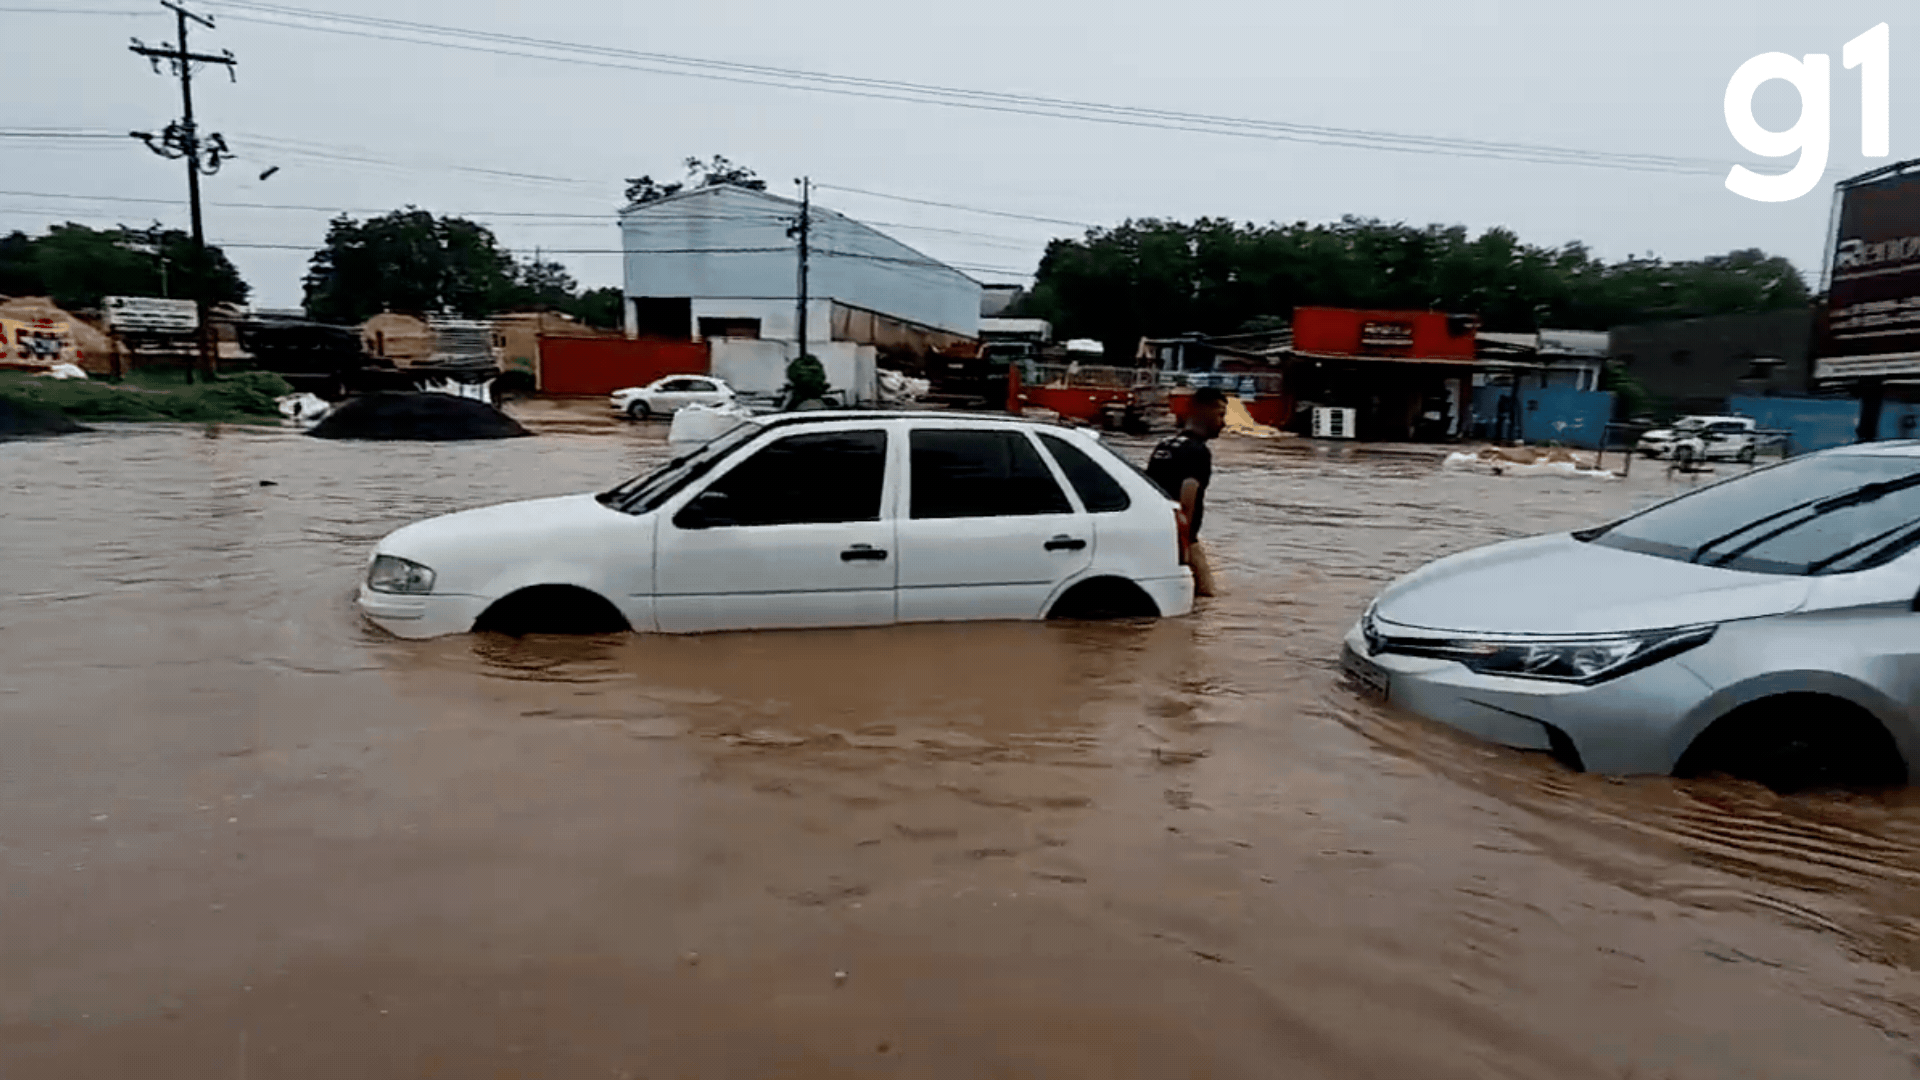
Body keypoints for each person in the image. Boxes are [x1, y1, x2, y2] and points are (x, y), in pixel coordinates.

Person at [1147, 387, 1228, 597]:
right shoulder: (1198, 452)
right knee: (1207, 596)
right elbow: (1188, 497)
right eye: (1220, 414)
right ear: (1203, 412)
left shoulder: (1164, 445)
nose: (1223, 423)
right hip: (1183, 537)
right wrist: (1185, 544)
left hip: (1155, 533)